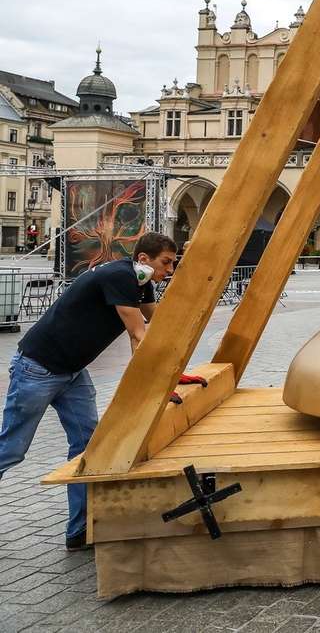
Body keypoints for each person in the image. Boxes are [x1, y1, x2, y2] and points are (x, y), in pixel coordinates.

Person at [0, 232, 177, 550]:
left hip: (71, 371)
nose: (170, 270)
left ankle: (79, 529)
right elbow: (139, 335)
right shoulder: (120, 276)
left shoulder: (140, 281)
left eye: (173, 264)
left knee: (86, 446)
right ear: (143, 260)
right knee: (12, 449)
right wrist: (158, 383)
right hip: (37, 369)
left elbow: (160, 323)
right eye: (166, 263)